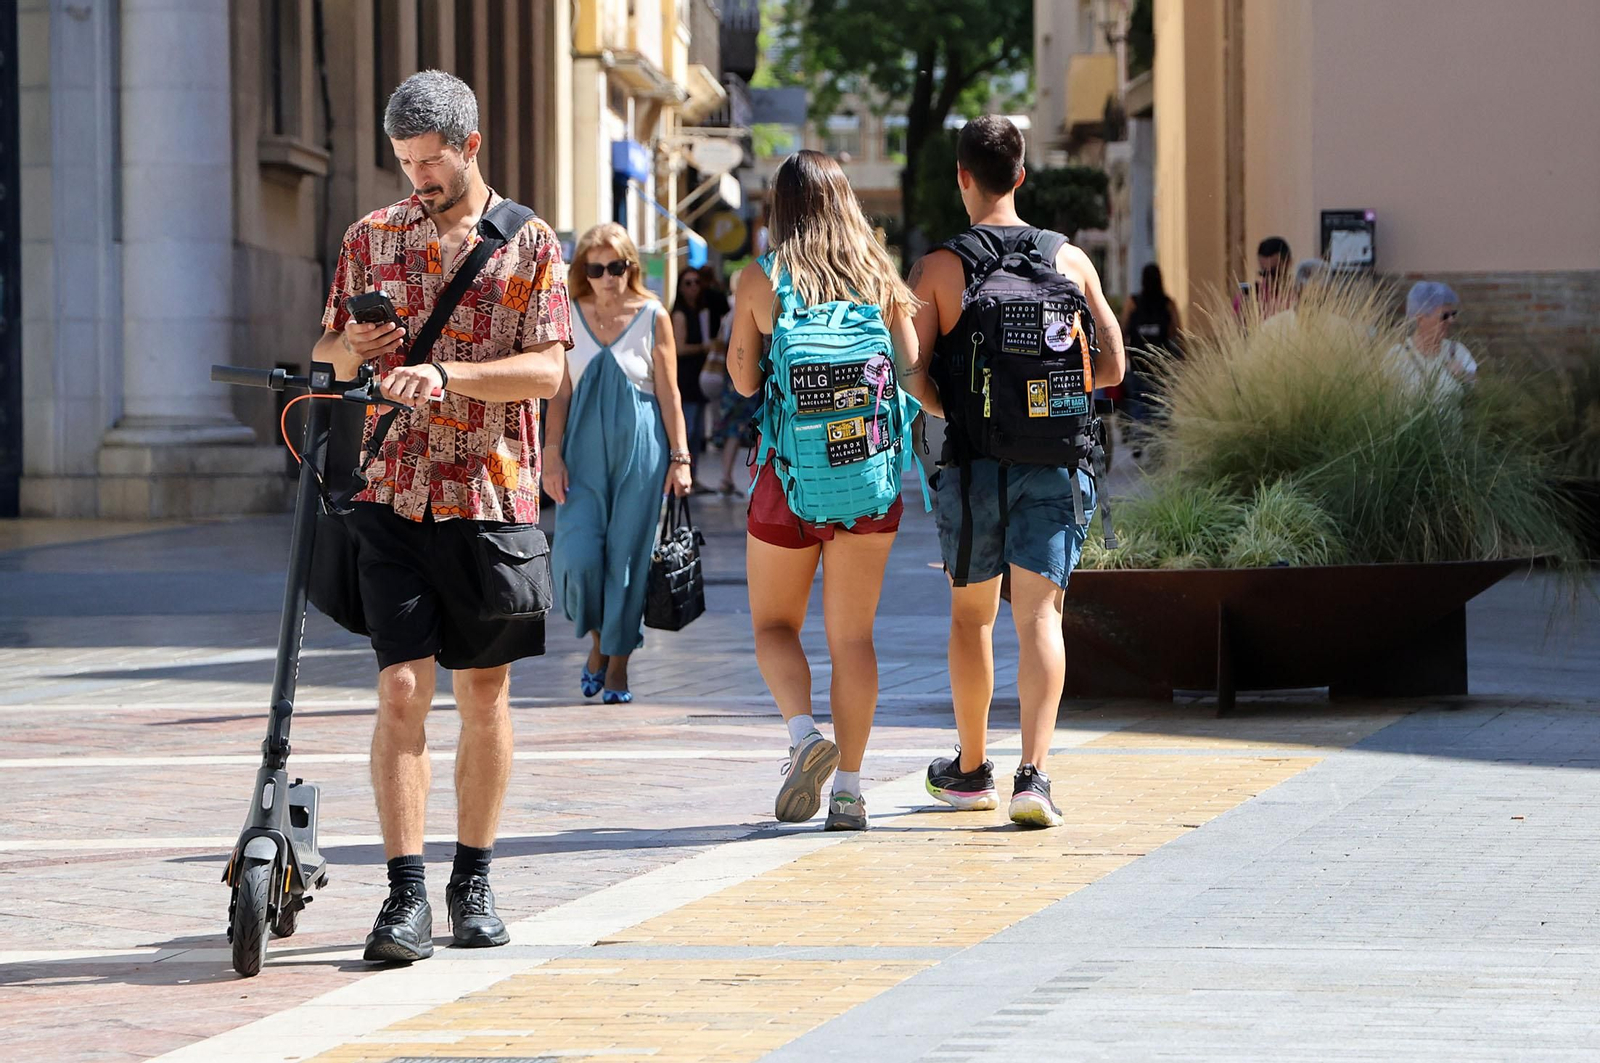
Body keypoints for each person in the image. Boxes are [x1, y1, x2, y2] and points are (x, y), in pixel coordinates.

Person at [318, 70, 570, 964]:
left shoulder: (529, 243)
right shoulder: (370, 237)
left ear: (471, 146)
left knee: (485, 691)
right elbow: (325, 352)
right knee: (400, 688)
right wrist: (355, 345)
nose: (417, 178)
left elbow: (548, 370)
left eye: (430, 162)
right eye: (404, 162)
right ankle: (404, 895)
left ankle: (475, 877)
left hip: (489, 494)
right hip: (390, 489)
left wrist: (446, 373)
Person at [910, 115, 1126, 828]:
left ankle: (973, 770)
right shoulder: (1071, 261)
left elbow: (912, 373)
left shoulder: (939, 269)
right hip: (1058, 462)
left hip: (975, 468)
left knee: (973, 617)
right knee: (1040, 616)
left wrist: (966, 407)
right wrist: (1046, 400)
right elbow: (1114, 367)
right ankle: (1034, 776)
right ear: (1021, 176)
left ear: (963, 177)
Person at [726, 150, 934, 832]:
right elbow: (912, 376)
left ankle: (803, 734)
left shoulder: (761, 279)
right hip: (869, 481)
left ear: (781, 207)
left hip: (787, 481)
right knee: (853, 639)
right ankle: (848, 792)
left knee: (773, 626)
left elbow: (744, 382)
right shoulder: (880, 277)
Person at [542, 224, 694, 705]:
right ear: (583, 271)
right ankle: (598, 645)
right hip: (581, 454)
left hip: (642, 452)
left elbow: (670, 393)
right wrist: (550, 454)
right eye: (597, 268)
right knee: (579, 558)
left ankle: (618, 665)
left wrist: (680, 458)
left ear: (631, 267)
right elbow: (559, 393)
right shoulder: (567, 314)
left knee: (628, 560)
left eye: (617, 266)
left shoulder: (653, 315)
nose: (608, 277)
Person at [1120, 262, 1182, 455]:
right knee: (1160, 402)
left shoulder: (1133, 302)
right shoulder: (1168, 304)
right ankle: (1158, 444)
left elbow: (1123, 329)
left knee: (1137, 401)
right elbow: (1175, 332)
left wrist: (1124, 354)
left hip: (1137, 362)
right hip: (1160, 363)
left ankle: (1139, 441)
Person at [671, 267, 728, 466]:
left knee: (697, 432)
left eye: (697, 282)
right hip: (686, 377)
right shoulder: (680, 314)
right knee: (688, 429)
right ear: (680, 287)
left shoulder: (702, 310)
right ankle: (683, 470)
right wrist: (703, 347)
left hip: (700, 375)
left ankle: (692, 474)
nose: (693, 286)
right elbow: (678, 348)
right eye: (688, 283)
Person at [1386, 281, 1477, 400]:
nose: (1451, 321)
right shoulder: (1397, 355)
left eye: (1453, 314)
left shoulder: (1457, 351)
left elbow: (1476, 393)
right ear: (1420, 319)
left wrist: (1462, 375)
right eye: (1444, 316)